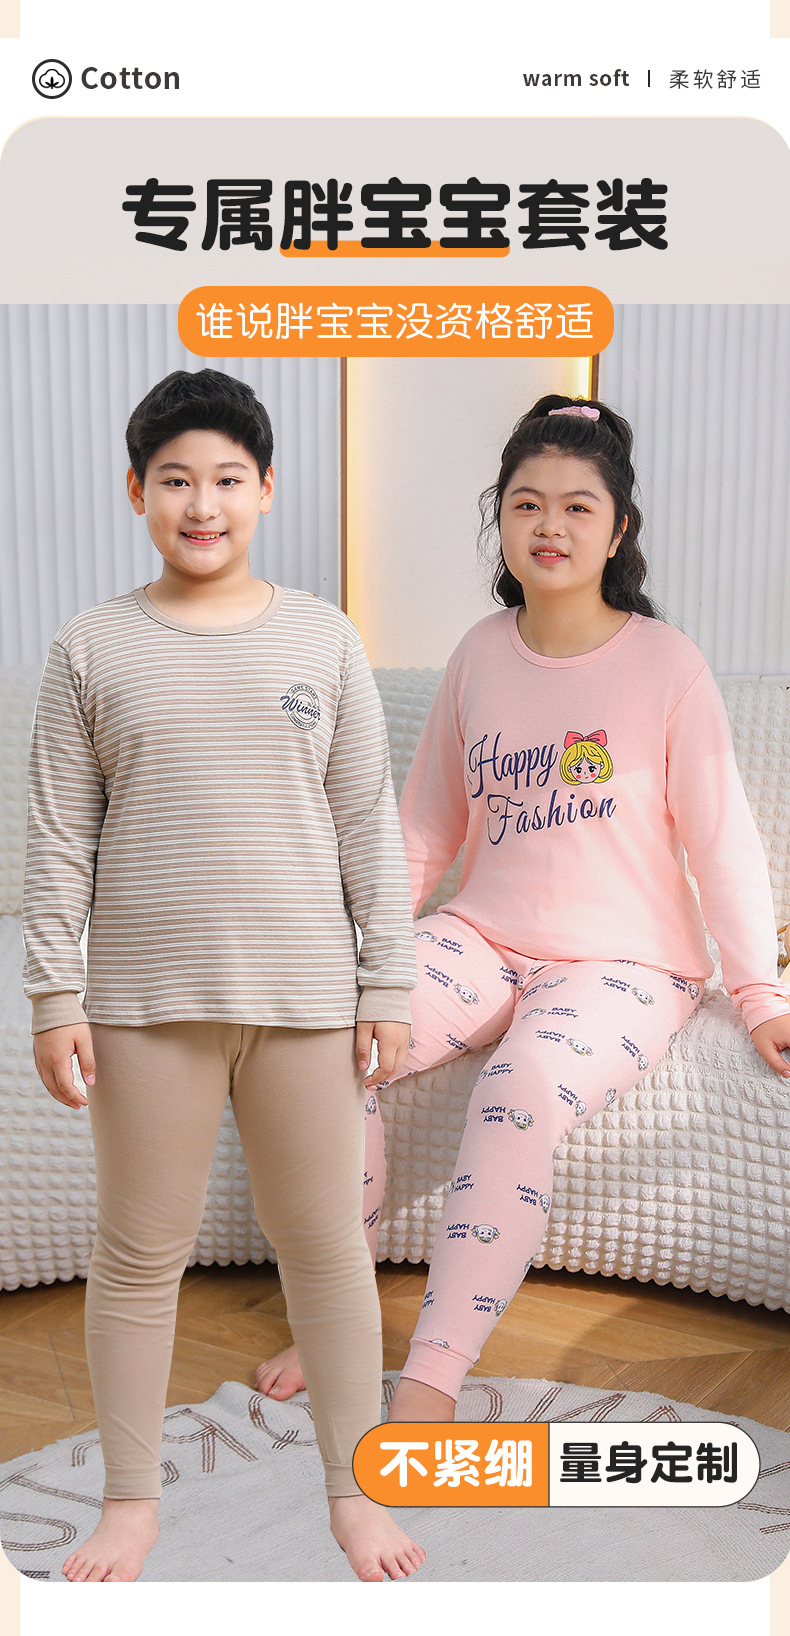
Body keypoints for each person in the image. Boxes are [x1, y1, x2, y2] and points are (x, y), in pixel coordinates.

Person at [256, 394, 790, 1427]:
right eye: (526, 503)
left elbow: (722, 840)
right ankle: (336, 1315)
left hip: (626, 963)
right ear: (499, 520)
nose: (550, 525)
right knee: (328, 1040)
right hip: (483, 935)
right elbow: (424, 826)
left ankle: (434, 1372)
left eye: (578, 506)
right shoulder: (478, 653)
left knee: (521, 1084)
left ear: (618, 530)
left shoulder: (666, 665)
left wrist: (760, 995)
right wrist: (361, 952)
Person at [22, 368, 425, 1583]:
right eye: (176, 481)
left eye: (227, 480)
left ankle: (354, 1492)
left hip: (305, 1002)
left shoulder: (323, 637)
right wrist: (54, 997)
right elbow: (58, 839)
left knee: (326, 1252)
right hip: (146, 1007)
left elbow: (365, 825)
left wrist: (387, 983)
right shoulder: (90, 647)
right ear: (136, 491)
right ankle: (131, 1502)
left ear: (265, 491)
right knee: (138, 1256)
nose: (203, 504)